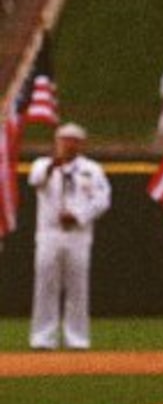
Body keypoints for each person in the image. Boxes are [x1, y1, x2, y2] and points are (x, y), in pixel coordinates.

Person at [29, 123, 111, 350]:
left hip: (78, 234)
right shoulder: (43, 165)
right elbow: (35, 181)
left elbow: (102, 200)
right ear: (56, 142)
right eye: (64, 139)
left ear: (81, 144)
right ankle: (42, 338)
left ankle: (77, 339)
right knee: (46, 285)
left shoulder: (92, 169)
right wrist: (54, 165)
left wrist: (79, 215)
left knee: (78, 287)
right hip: (49, 233)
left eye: (73, 140)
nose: (68, 144)